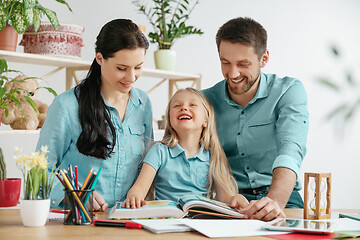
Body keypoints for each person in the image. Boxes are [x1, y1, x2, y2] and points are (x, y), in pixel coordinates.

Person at [36, 19, 153, 211]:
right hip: (81, 220)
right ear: (99, 58)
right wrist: (73, 195)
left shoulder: (143, 103)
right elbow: (39, 171)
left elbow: (146, 165)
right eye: (122, 68)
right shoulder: (67, 105)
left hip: (129, 219)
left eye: (138, 67)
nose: (131, 78)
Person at [202, 17, 309, 221]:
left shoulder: (288, 91)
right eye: (225, 63)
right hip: (230, 201)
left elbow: (291, 147)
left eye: (243, 64)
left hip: (283, 197)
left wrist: (275, 201)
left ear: (264, 59)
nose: (233, 73)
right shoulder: (205, 100)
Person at [122, 88, 249, 209]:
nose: (184, 107)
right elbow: (139, 188)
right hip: (166, 220)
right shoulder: (158, 151)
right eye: (177, 106)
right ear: (170, 121)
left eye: (193, 105)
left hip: (199, 221)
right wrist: (134, 196)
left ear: (205, 120)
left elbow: (225, 197)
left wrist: (234, 198)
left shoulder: (212, 156)